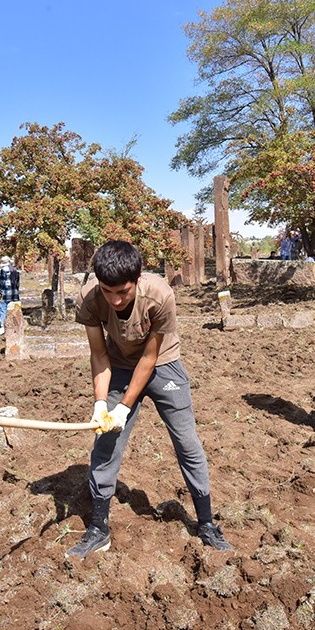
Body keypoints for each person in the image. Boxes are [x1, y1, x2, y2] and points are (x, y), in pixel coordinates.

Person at [66, 240, 232, 559]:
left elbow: (149, 358)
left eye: (123, 292)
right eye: (107, 291)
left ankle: (207, 523)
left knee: (186, 442)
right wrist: (102, 404)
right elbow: (99, 354)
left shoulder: (160, 295)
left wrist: (124, 407)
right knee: (105, 445)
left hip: (163, 365)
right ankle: (99, 529)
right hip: (119, 365)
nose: (114, 300)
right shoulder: (89, 298)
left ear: (138, 279)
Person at [0, 255, 20, 336]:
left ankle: (2, 327)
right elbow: (18, 283)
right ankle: (16, 325)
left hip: (5, 293)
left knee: (3, 309)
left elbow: (1, 285)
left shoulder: (3, 270)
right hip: (14, 293)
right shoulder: (15, 270)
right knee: (14, 309)